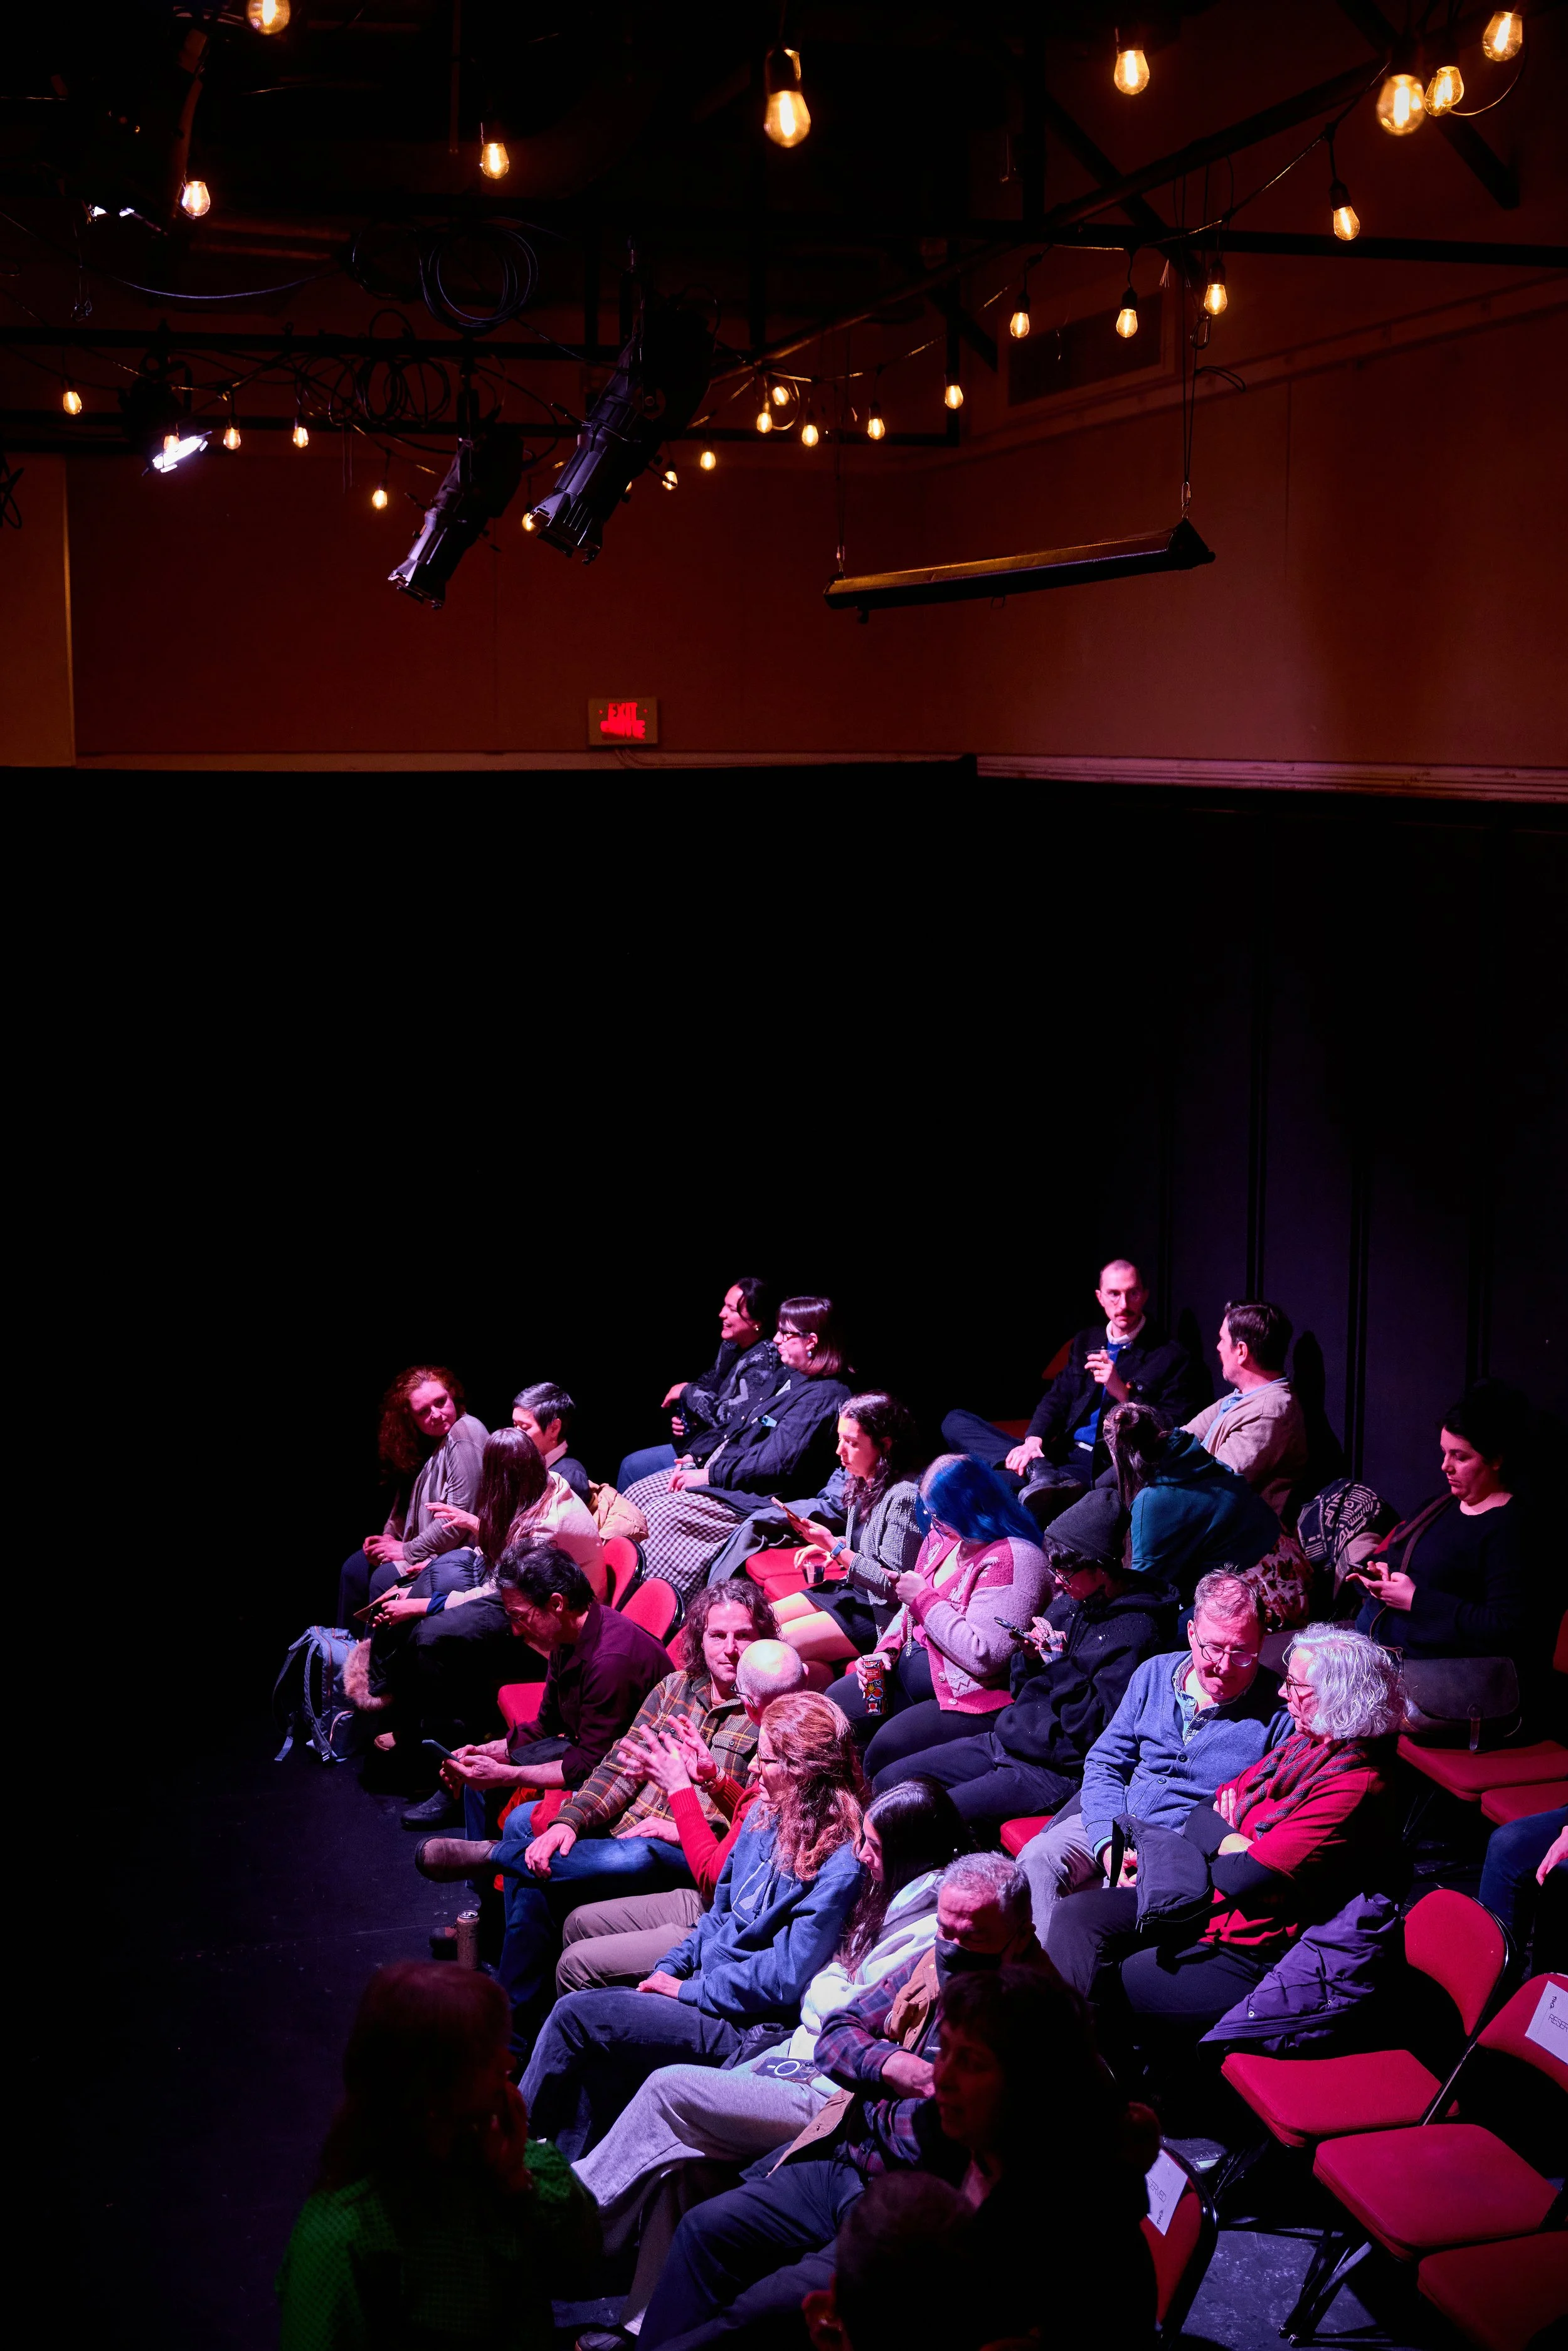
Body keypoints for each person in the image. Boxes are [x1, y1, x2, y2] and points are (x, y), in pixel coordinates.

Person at [568, 1780, 970, 2340]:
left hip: (827, 2092)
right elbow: (822, 1988)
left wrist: (834, 1998)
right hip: (795, 2053)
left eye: (875, 1847)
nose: (861, 1855)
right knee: (687, 2172)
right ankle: (644, 2328)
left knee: (669, 2089)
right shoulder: (883, 1896)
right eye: (863, 1841)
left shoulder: (930, 1927)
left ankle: (568, 2216)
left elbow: (827, 2002)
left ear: (912, 1854)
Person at [632, 1853, 1042, 2351]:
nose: (950, 1948)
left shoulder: (1031, 2022)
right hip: (844, 2161)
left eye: (971, 1938)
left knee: (759, 2312)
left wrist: (867, 2101)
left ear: (1020, 1936)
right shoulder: (931, 1965)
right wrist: (889, 2066)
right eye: (943, 1930)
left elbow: (931, 2143)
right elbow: (836, 2033)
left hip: (907, 2209)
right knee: (703, 2229)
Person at [417, 1583, 785, 2042]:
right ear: (700, 1637)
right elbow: (617, 1768)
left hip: (687, 1852)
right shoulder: (675, 1688)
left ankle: (496, 1863)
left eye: (743, 1635)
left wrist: (685, 1824)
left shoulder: (772, 1714)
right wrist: (568, 1822)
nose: (730, 1649)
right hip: (626, 1830)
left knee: (624, 1857)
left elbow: (756, 1827)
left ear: (763, 1638)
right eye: (718, 1635)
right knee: (534, 1854)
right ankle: (516, 2028)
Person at [519, 1693, 867, 2161]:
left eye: (765, 1760)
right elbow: (717, 1918)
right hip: (704, 1987)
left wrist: (686, 1991)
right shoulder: (764, 1816)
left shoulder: (840, 1864)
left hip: (748, 2024)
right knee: (597, 2062)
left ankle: (507, 2150)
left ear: (802, 1770)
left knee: (575, 2016)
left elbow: (784, 1979)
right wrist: (668, 1970)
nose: (751, 1771)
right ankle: (555, 2176)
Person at [1048, 1627, 1404, 2038]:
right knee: (1077, 1915)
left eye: (1295, 1685)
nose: (1283, 1692)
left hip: (1255, 1947)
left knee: (1120, 1974)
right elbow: (1202, 1813)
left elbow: (1242, 1879)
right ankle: (1056, 2050)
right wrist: (1234, 1841)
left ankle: (1081, 2060)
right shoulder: (1305, 1746)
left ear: (1337, 1700)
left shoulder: (1355, 1786)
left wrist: (1227, 1840)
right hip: (1208, 1902)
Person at [276, 1961, 597, 2351]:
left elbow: (583, 2261)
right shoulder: (341, 2238)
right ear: (431, 2086)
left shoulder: (506, 2162)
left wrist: (517, 2180)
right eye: (487, 2055)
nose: (509, 2063)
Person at [871, 1488, 1177, 1823]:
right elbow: (1020, 1690)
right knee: (890, 1782)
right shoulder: (1072, 1602)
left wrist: (1058, 1664)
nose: (1058, 1582)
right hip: (1008, 1739)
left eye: (1065, 1573)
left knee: (922, 1819)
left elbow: (1093, 1730)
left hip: (1055, 1770)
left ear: (1101, 1570)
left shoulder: (1137, 1632)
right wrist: (1030, 1657)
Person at [1016, 1569, 1289, 1932]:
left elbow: (1262, 1807)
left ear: (1261, 1641)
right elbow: (1105, 1762)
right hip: (1115, 1817)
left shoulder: (1280, 1714)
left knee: (1089, 1911)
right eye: (1213, 1648)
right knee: (1038, 1859)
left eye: (1241, 1652)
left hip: (1177, 1848)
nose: (1224, 1667)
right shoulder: (1154, 1674)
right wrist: (1106, 1842)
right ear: (1191, 1633)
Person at [555, 1643, 809, 1995]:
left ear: (748, 1703)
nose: (730, 1649)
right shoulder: (799, 1740)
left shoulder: (782, 1764)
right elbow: (750, 1821)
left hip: (727, 1920)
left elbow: (715, 1878)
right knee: (577, 1921)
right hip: (721, 1905)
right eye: (718, 1635)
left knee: (576, 1962)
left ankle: (498, 1856)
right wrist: (715, 1780)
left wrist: (679, 1789)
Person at [411, 1541, 677, 1833]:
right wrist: (486, 1752)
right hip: (593, 1755)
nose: (515, 1630)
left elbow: (590, 1765)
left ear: (556, 1604)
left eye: (520, 1617)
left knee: (519, 1820)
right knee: (476, 1785)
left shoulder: (610, 1663)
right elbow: (547, 1726)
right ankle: (485, 1861)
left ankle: (501, 1860)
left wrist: (504, 1774)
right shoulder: (566, 1637)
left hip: (633, 1781)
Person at [823, 1455, 1049, 1776]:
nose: (934, 1521)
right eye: (931, 1512)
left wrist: (924, 1599)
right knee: (832, 1710)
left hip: (968, 1696)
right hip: (909, 1669)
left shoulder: (1014, 1558)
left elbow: (984, 1655)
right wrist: (885, 1651)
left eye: (941, 1514)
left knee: (884, 1751)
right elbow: (908, 1607)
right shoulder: (941, 1539)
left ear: (971, 1507)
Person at [625, 1298, 854, 1598]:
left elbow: (774, 1464)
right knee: (637, 1496)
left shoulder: (824, 1396)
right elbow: (738, 1422)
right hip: (727, 1472)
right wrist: (697, 1454)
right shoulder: (789, 1375)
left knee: (661, 1515)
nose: (776, 1340)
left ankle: (660, 1611)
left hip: (757, 1495)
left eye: (785, 1334)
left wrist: (711, 1476)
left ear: (811, 1341)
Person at [942, 1259, 1206, 1502]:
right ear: (1100, 1297)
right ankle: (1039, 1470)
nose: (1124, 1304)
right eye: (1114, 1294)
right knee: (954, 1421)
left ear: (1145, 1295)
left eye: (1133, 1293)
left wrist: (1125, 1396)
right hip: (1058, 1454)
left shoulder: (1171, 1356)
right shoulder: (1086, 1341)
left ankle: (1046, 1479)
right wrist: (1033, 1440)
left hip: (1096, 1466)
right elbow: (1057, 1398)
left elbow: (1173, 1429)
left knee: (974, 1486)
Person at [1353, 1381, 1538, 1699]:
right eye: (1444, 1452)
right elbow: (1398, 1561)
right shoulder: (1441, 1505)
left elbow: (1507, 1628)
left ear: (1496, 1459)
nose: (1445, 1466)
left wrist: (1416, 1601)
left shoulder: (1511, 1527)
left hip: (1437, 1679)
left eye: (1460, 1457)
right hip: (1383, 1652)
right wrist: (1379, 1575)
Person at [758, 1394, 927, 1662]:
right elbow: (871, 1548)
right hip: (853, 1591)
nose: (840, 1450)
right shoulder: (864, 1480)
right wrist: (834, 1543)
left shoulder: (904, 1495)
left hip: (878, 1612)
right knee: (760, 1622)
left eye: (852, 1443)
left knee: (777, 1645)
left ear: (885, 1445)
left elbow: (892, 1585)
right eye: (840, 1439)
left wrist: (835, 1548)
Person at [337, 1366, 488, 1624]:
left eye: (440, 1402)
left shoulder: (464, 1432)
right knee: (355, 1569)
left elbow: (457, 1521)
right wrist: (387, 1538)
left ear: (453, 1395)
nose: (436, 1414)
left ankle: (372, 1650)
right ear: (411, 1418)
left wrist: (406, 1550)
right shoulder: (428, 1442)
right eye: (423, 1411)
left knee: (383, 1578)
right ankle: (344, 1646)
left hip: (454, 1552)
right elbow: (404, 1500)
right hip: (421, 1545)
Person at [1104, 1400, 1281, 1595]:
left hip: (1258, 1596)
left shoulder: (1152, 1501)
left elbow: (1143, 1591)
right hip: (1285, 1564)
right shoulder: (1191, 1451)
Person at [619, 1280, 780, 1490]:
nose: (722, 1314)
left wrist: (687, 1391)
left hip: (722, 1454)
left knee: (637, 1476)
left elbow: (734, 1417)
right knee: (631, 1466)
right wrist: (689, 1417)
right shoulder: (731, 1345)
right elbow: (708, 1385)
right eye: (725, 1305)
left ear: (757, 1321)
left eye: (732, 1310)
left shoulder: (763, 1361)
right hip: (699, 1442)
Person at [1182, 1300, 1308, 1516]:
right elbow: (1180, 1439)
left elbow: (1213, 1484)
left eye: (1223, 1340)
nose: (1218, 1347)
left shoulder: (1269, 1412)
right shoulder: (1239, 1398)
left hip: (1227, 1529)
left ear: (1241, 1351)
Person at [512, 1380, 593, 1506]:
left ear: (554, 1428)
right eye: (515, 1425)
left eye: (525, 1427)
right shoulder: (529, 1464)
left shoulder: (570, 1476)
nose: (516, 1434)